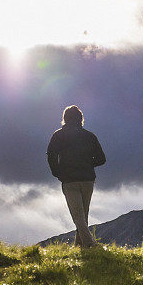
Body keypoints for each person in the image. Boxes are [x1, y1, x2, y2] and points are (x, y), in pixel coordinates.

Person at [47, 105, 106, 249]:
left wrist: (58, 172)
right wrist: (87, 163)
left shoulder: (58, 135)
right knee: (83, 214)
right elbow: (101, 159)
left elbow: (51, 155)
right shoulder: (90, 136)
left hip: (69, 180)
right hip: (87, 179)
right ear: (81, 119)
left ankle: (90, 244)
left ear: (65, 119)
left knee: (78, 216)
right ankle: (80, 246)